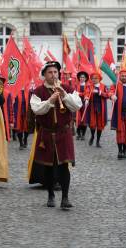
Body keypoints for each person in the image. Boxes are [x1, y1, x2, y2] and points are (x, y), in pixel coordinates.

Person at [29, 61, 82, 209]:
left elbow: (77, 105)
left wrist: (64, 95)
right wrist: (50, 101)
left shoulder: (67, 88)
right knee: (49, 167)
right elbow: (37, 110)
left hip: (63, 133)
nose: (53, 75)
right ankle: (51, 195)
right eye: (50, 73)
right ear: (44, 75)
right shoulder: (38, 91)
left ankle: (65, 197)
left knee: (64, 166)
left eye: (55, 72)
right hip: (47, 133)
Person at [84, 70, 110, 148]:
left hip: (101, 108)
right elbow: (87, 93)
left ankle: (98, 141)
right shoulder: (89, 86)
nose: (94, 80)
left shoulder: (103, 86)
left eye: (96, 78)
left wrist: (100, 93)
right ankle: (92, 136)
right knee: (92, 124)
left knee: (100, 125)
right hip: (92, 107)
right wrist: (86, 99)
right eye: (92, 78)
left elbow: (107, 95)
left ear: (99, 79)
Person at [75, 71, 89, 140]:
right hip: (77, 103)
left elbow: (86, 93)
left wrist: (80, 94)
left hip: (84, 104)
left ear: (85, 78)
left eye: (83, 77)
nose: (82, 78)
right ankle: (78, 134)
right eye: (80, 77)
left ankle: (83, 134)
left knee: (84, 119)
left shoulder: (88, 85)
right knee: (78, 119)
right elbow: (73, 92)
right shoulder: (76, 85)